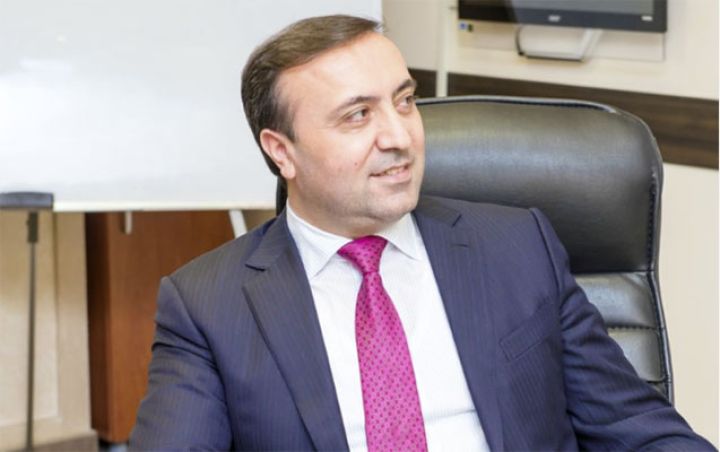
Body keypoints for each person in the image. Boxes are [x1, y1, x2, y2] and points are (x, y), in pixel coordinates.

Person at [130, 15, 714, 451]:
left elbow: (638, 429)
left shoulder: (517, 248)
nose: (399, 137)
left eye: (405, 101)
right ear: (282, 151)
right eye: (358, 115)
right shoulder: (208, 304)